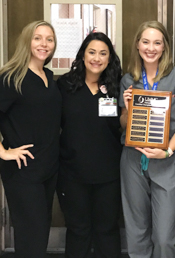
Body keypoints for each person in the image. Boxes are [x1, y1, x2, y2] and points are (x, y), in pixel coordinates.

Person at [120, 20, 175, 258]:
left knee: (163, 236)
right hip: (133, 160)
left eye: (157, 43)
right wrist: (129, 108)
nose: (151, 48)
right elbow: (123, 123)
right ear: (138, 45)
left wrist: (168, 151)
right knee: (136, 229)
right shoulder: (128, 80)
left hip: (166, 160)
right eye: (146, 41)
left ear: (164, 47)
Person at [57, 32, 122, 258]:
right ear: (83, 55)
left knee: (107, 229)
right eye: (92, 52)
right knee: (78, 230)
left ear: (109, 58)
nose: (97, 58)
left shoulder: (117, 86)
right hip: (72, 174)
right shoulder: (65, 85)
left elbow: (123, 125)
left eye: (103, 53)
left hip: (109, 174)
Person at [0, 20, 61, 258]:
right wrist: (4, 151)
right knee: (31, 237)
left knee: (40, 234)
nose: (44, 44)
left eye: (49, 39)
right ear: (27, 40)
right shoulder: (10, 77)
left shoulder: (47, 75)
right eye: (38, 38)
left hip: (47, 169)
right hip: (22, 171)